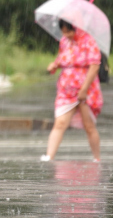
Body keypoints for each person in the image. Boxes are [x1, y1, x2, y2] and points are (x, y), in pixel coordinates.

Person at [43, 19, 102, 162]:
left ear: (76, 28)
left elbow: (94, 65)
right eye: (63, 31)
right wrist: (54, 65)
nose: (66, 34)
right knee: (60, 123)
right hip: (66, 90)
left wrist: (84, 89)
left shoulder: (88, 41)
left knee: (89, 126)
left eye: (69, 31)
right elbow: (61, 58)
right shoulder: (65, 41)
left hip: (84, 90)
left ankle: (97, 158)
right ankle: (49, 156)